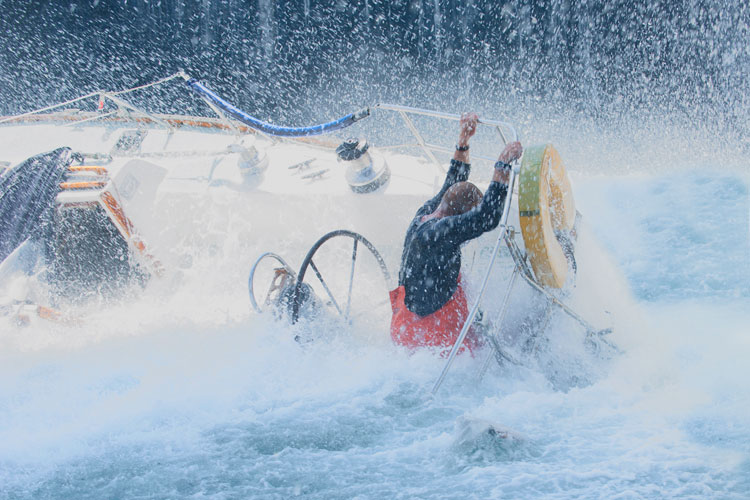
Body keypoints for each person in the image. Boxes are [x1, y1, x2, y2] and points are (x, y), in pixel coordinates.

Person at [390, 112, 523, 355]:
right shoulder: (441, 233)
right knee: (485, 352)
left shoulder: (426, 214)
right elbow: (487, 217)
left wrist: (464, 139)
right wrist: (502, 164)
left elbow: (454, 180)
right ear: (459, 218)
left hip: (403, 326)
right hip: (429, 336)